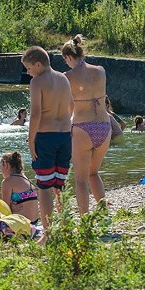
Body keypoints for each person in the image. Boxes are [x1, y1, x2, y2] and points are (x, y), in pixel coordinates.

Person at [22, 45, 73, 243]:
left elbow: (35, 114)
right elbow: (71, 106)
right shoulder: (63, 78)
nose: (28, 72)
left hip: (45, 137)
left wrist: (31, 140)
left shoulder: (37, 82)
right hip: (64, 135)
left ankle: (48, 234)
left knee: (44, 186)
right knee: (60, 184)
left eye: (28, 68)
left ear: (38, 64)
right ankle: (66, 227)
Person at [62, 34, 111, 217]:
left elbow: (69, 108)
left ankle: (84, 219)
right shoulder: (100, 71)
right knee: (94, 174)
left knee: (81, 180)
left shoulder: (67, 77)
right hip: (104, 127)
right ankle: (104, 216)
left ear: (68, 57)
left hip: (83, 128)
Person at [0, 150, 40, 224]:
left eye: (1, 167)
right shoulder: (26, 179)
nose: (1, 170)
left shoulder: (7, 182)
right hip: (34, 223)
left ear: (6, 165)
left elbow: (5, 209)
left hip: (21, 225)